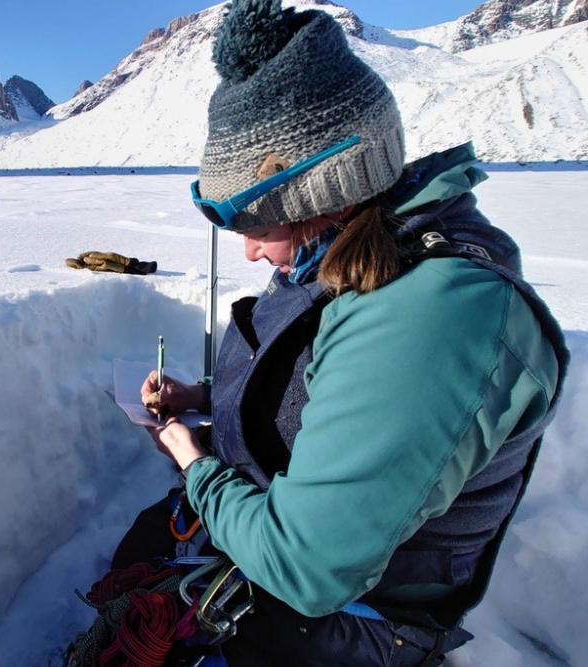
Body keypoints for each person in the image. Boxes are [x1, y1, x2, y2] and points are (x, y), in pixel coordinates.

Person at [111, 1, 570, 665]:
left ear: (326, 192)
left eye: (256, 224)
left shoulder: (432, 318)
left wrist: (195, 464)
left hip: (357, 614)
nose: (250, 253)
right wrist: (204, 399)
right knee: (140, 562)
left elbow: (308, 569)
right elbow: (318, 375)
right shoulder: (340, 255)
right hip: (281, 541)